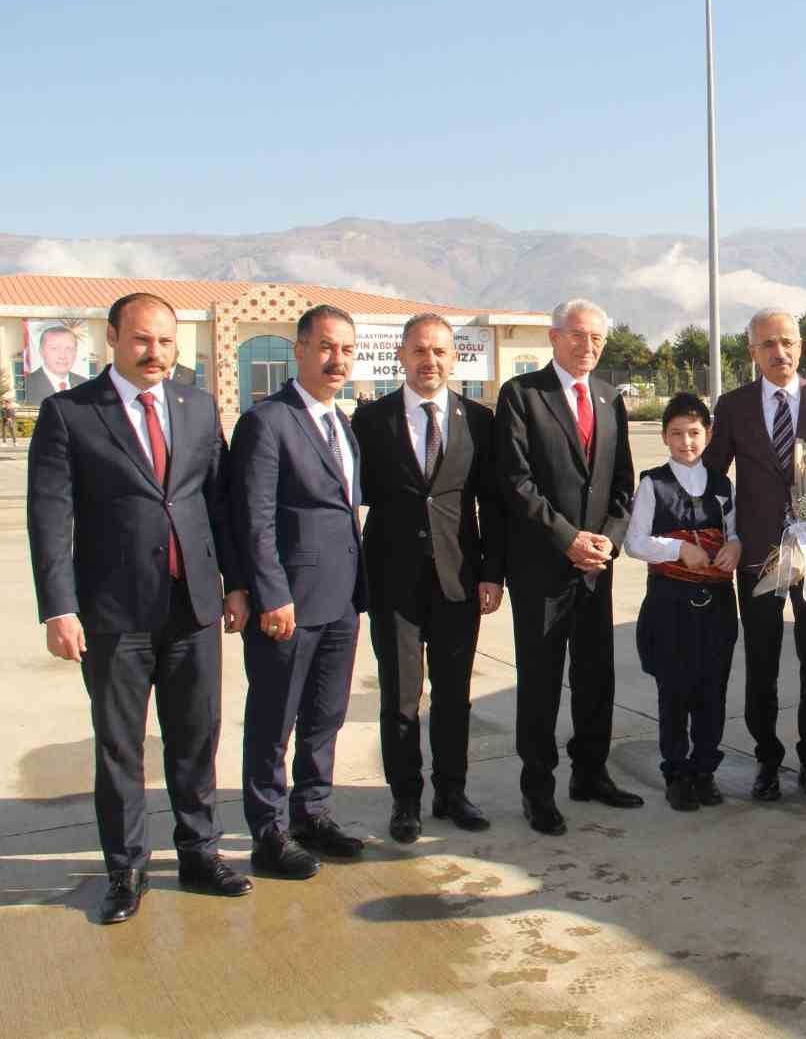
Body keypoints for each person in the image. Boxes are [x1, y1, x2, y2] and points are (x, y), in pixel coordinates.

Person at [27, 292, 253, 923]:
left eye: (165, 341)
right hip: (112, 615)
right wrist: (58, 608)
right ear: (113, 339)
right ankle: (126, 871)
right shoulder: (69, 414)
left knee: (195, 739)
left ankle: (200, 853)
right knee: (121, 746)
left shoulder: (197, 406)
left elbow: (220, 502)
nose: (155, 353)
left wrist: (235, 584)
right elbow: (49, 517)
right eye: (142, 340)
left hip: (193, 608)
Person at [352, 313, 506, 844]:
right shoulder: (370, 422)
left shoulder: (478, 421)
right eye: (420, 350)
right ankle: (405, 799)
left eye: (440, 351)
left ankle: (452, 791)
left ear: (454, 358)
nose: (430, 361)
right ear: (401, 355)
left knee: (453, 694)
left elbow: (493, 504)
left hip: (458, 580)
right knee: (399, 696)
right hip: (392, 581)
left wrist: (493, 573)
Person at [231, 304, 369, 879]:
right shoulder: (268, 421)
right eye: (326, 348)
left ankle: (312, 813)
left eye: (347, 350)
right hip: (289, 602)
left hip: (341, 599)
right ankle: (268, 832)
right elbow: (254, 519)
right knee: (274, 719)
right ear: (301, 349)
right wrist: (271, 594)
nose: (337, 361)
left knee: (324, 716)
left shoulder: (342, 423)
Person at [497, 298, 640, 836]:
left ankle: (591, 772)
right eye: (578, 336)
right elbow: (515, 481)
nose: (588, 347)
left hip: (596, 569)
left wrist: (609, 539)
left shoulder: (608, 399)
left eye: (598, 338)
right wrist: (566, 538)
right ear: (554, 338)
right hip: (543, 568)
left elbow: (623, 483)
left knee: (595, 676)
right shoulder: (523, 396)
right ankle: (539, 790)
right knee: (539, 682)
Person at [703, 307, 806, 801]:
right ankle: (767, 760)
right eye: (767, 344)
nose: (779, 352)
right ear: (752, 353)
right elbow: (712, 477)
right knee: (762, 662)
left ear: (801, 346)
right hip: (758, 556)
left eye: (787, 342)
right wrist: (726, 533)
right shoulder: (734, 405)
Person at [625, 392, 742, 812]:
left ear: (708, 435)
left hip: (717, 601)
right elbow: (634, 543)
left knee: (713, 689)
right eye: (676, 433)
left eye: (694, 433)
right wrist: (679, 551)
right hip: (670, 601)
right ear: (664, 437)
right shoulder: (653, 483)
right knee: (674, 689)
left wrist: (735, 546)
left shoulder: (722, 484)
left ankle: (705, 770)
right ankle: (676, 772)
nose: (686, 441)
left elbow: (733, 532)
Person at [26, 323, 89, 402]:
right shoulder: (26, 386)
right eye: (55, 348)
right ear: (41, 351)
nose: (62, 356)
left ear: (76, 351)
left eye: (69, 349)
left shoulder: (85, 385)